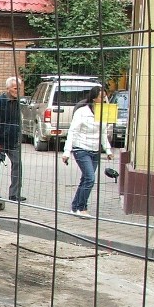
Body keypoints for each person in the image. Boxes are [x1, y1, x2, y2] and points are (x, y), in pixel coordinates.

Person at [62, 85, 114, 218]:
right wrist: (67, 151)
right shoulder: (82, 112)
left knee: (85, 179)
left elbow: (103, 132)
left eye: (105, 97)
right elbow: (73, 131)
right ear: (94, 98)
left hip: (95, 150)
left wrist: (107, 150)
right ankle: (82, 207)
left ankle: (75, 207)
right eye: (101, 97)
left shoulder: (103, 112)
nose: (104, 99)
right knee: (90, 178)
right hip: (81, 149)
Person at [0, 76, 25, 202]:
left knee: (17, 164)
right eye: (15, 88)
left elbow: (18, 122)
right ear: (8, 88)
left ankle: (14, 195)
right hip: (0, 140)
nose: (18, 91)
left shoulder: (17, 102)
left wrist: (19, 137)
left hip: (13, 140)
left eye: (19, 88)